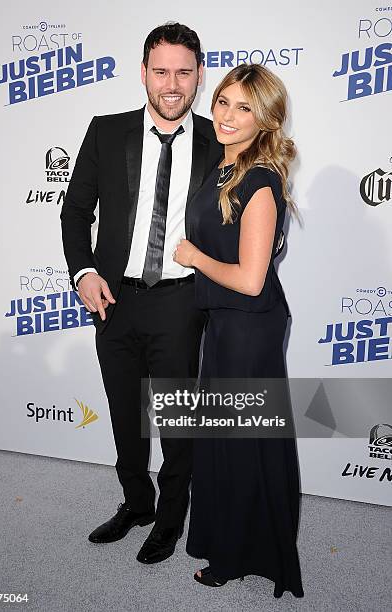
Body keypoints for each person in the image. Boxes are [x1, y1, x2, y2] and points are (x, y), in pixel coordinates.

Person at [60, 22, 223, 564]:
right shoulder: (106, 131)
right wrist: (83, 274)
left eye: (183, 72)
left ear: (200, 75)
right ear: (143, 74)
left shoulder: (220, 143)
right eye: (161, 71)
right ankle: (137, 502)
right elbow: (76, 212)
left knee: (178, 423)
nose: (171, 84)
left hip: (181, 301)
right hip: (113, 298)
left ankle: (171, 520)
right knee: (124, 414)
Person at [173, 63, 304, 597]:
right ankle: (232, 542)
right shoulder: (223, 168)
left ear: (265, 119)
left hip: (248, 327)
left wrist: (194, 257)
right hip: (225, 325)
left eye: (243, 107)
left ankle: (239, 554)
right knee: (228, 442)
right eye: (223, 101)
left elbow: (251, 281)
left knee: (243, 443)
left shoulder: (260, 182)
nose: (226, 115)